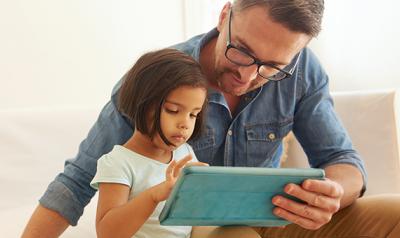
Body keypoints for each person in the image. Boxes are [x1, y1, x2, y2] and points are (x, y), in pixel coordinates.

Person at [22, 0, 400, 237]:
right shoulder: (157, 81)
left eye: (273, 67)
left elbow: (344, 163)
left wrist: (331, 195)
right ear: (225, 15)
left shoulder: (303, 72)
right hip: (203, 229)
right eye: (243, 53)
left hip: (281, 218)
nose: (249, 76)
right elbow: (76, 182)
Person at [90, 48, 210, 237]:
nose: (185, 124)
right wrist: (155, 195)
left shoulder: (184, 152)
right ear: (142, 104)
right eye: (172, 110)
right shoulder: (119, 162)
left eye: (193, 114)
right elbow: (107, 233)